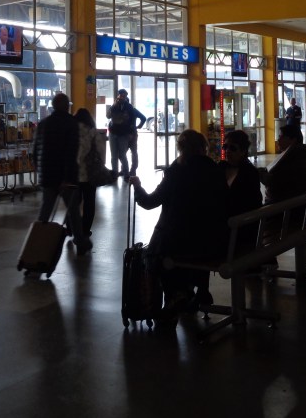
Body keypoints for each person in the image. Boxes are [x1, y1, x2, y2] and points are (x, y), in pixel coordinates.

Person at [130, 129, 228, 317]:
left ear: (181, 149)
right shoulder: (216, 171)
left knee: (156, 252)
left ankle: (176, 294)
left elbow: (149, 202)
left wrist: (137, 186)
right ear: (203, 148)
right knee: (198, 232)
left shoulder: (175, 173)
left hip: (178, 244)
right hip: (211, 243)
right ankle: (198, 289)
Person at [32, 93, 91, 255]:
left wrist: (40, 170)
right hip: (65, 177)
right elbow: (71, 152)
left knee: (45, 211)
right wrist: (67, 177)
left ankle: (35, 243)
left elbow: (35, 151)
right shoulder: (71, 124)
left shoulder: (43, 124)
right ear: (66, 106)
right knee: (73, 211)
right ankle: (80, 241)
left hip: (47, 175)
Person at [218, 129, 263, 256]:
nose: (227, 151)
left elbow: (252, 203)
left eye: (232, 148)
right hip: (225, 223)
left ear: (243, 151)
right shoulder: (220, 168)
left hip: (241, 225)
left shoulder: (249, 173)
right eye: (225, 147)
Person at [74, 107, 101, 236]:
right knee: (89, 202)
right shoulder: (93, 131)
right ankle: (85, 229)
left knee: (74, 202)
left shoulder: (72, 131)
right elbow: (100, 151)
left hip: (74, 174)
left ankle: (72, 227)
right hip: (90, 173)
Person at [107, 88, 145, 181]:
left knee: (124, 154)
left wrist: (133, 131)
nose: (121, 97)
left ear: (126, 97)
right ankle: (116, 173)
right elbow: (108, 116)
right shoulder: (114, 106)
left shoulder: (130, 108)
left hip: (125, 134)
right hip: (114, 132)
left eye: (123, 96)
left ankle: (127, 173)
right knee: (115, 155)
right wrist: (114, 105)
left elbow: (135, 120)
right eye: (120, 95)